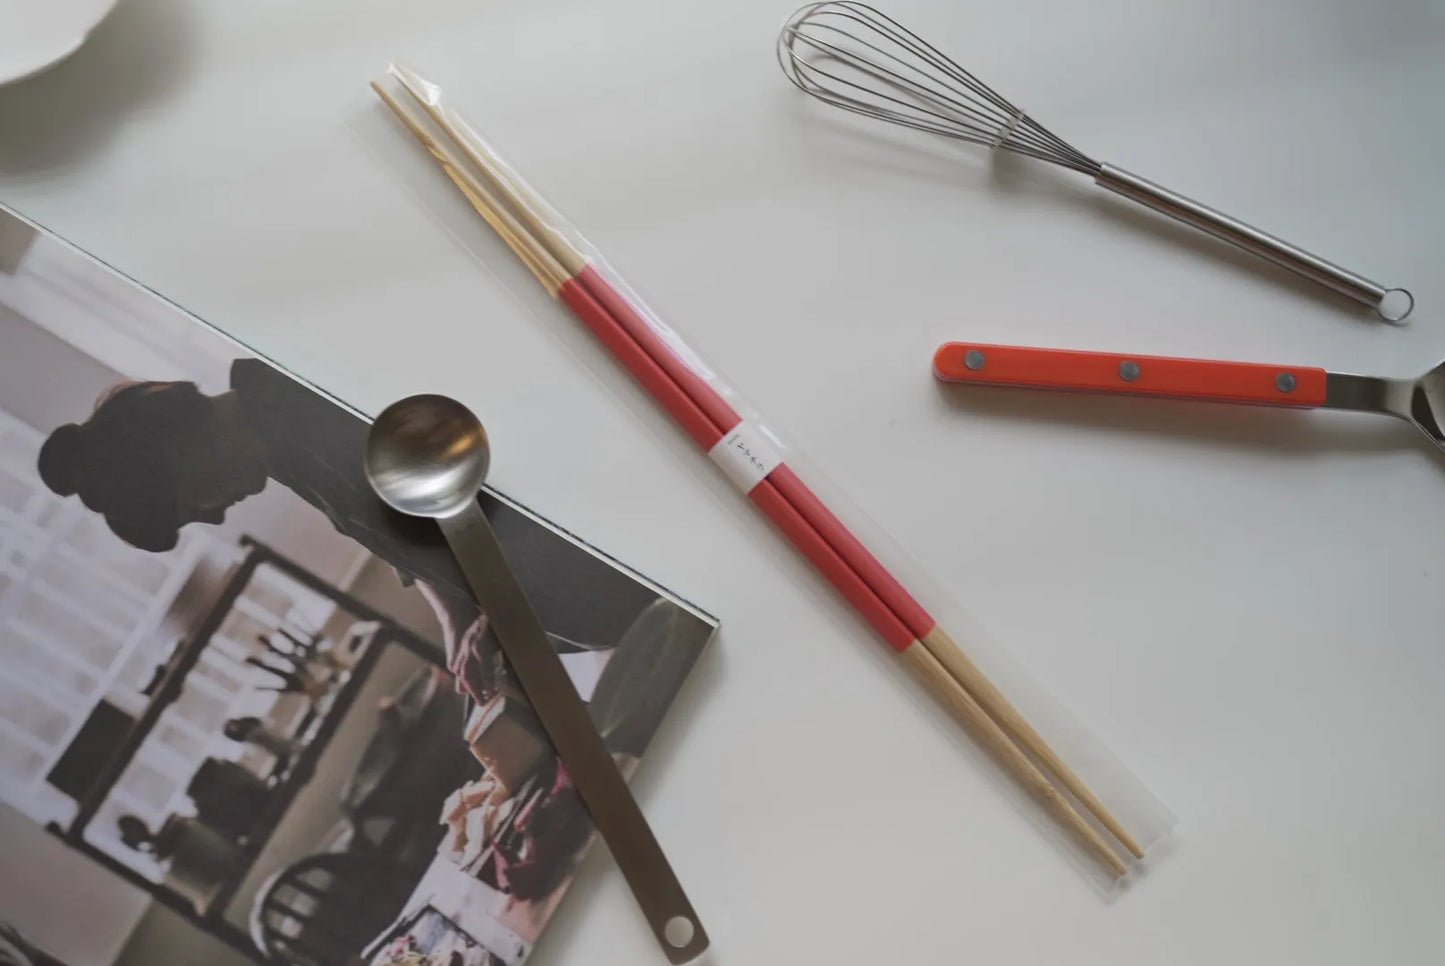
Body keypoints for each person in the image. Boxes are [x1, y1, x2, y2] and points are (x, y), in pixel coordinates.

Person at [36, 358, 655, 671]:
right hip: (605, 614)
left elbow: (500, 485)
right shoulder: (279, 451)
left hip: (631, 560)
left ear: (177, 451)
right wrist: (456, 617)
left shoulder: (304, 388)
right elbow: (408, 540)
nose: (216, 518)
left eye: (191, 505)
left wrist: (494, 617)